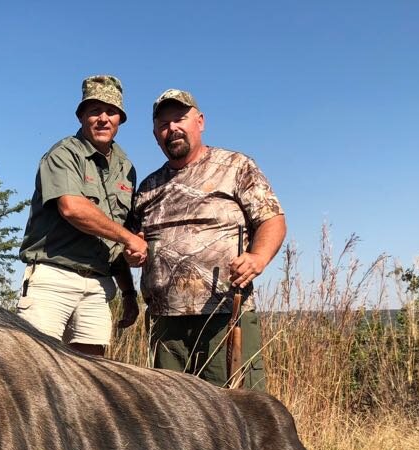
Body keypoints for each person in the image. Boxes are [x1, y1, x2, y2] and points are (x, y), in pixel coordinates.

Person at [131, 89, 286, 388]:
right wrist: (133, 254)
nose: (172, 128)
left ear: (199, 122)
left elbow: (272, 219)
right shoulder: (148, 187)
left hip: (224, 315)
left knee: (236, 411)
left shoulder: (236, 166)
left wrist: (257, 257)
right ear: (155, 134)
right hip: (165, 324)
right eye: (163, 124)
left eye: (179, 119)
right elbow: (135, 243)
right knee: (173, 418)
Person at [16, 75, 148, 356]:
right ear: (81, 116)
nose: (103, 118)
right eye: (94, 111)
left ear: (120, 119)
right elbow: (72, 208)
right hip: (54, 278)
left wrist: (128, 293)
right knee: (35, 367)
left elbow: (114, 236)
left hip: (99, 286)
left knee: (93, 377)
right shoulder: (64, 154)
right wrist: (129, 238)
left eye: (110, 111)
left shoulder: (127, 168)